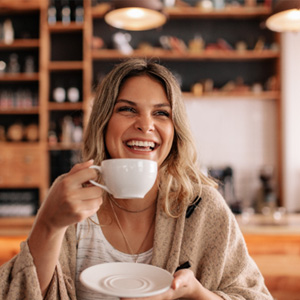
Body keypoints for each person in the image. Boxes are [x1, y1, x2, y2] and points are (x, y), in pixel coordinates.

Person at [0, 58, 272, 300]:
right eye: (128, 109)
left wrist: (197, 295)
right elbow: (17, 293)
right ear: (103, 122)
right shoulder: (71, 201)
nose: (145, 124)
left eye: (161, 113)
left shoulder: (202, 207)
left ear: (175, 131)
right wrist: (48, 224)